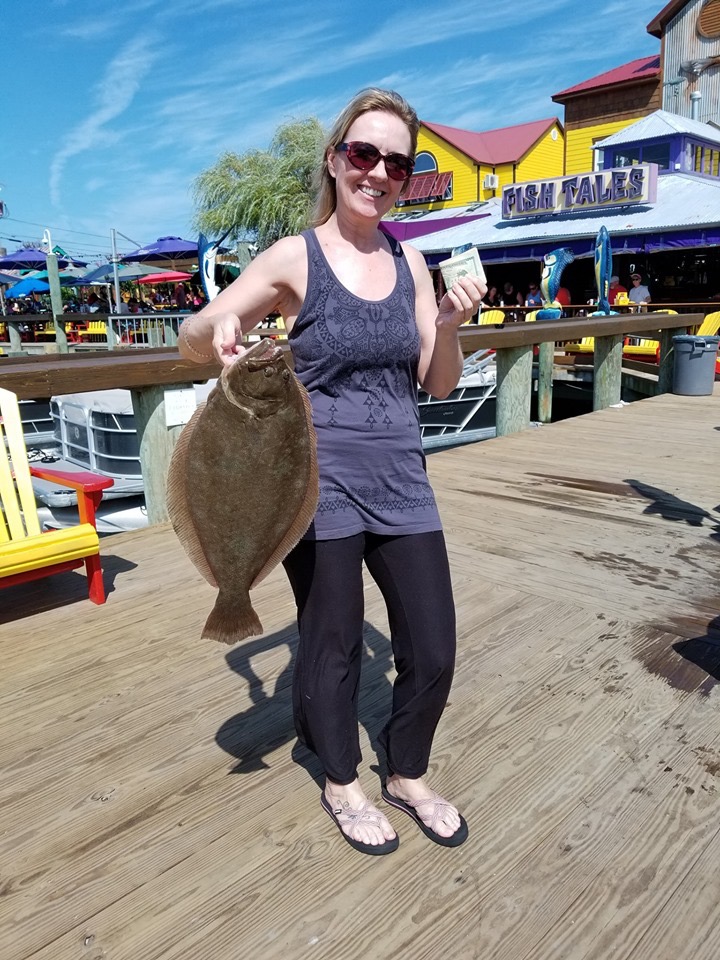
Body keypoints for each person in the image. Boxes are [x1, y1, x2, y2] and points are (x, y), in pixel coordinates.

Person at [178, 87, 484, 855]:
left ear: (406, 178)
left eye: (395, 163)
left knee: (434, 646)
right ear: (335, 159)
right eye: (363, 153)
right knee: (332, 644)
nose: (377, 171)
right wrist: (219, 323)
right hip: (317, 487)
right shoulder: (296, 256)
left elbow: (437, 381)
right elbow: (193, 335)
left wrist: (450, 325)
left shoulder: (411, 260)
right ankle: (342, 781)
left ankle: (406, 772)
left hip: (404, 483)